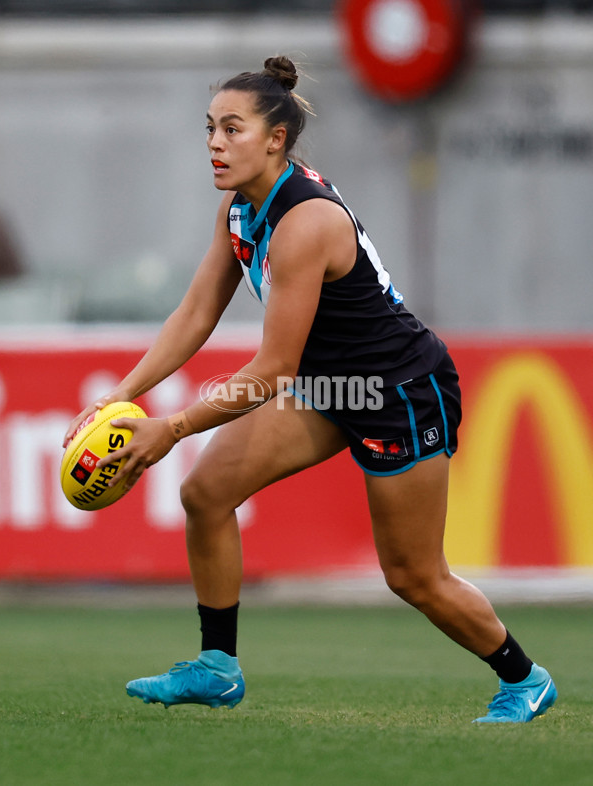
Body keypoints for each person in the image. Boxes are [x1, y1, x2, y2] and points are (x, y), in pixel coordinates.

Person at [64, 56, 557, 723]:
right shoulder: (240, 210)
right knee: (205, 493)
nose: (214, 143)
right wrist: (121, 397)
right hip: (331, 383)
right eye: (209, 128)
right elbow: (195, 316)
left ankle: (523, 678)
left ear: (275, 139)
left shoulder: (304, 223)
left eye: (231, 129)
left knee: (413, 575)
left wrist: (171, 428)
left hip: (398, 391)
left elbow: (271, 373)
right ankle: (218, 668)